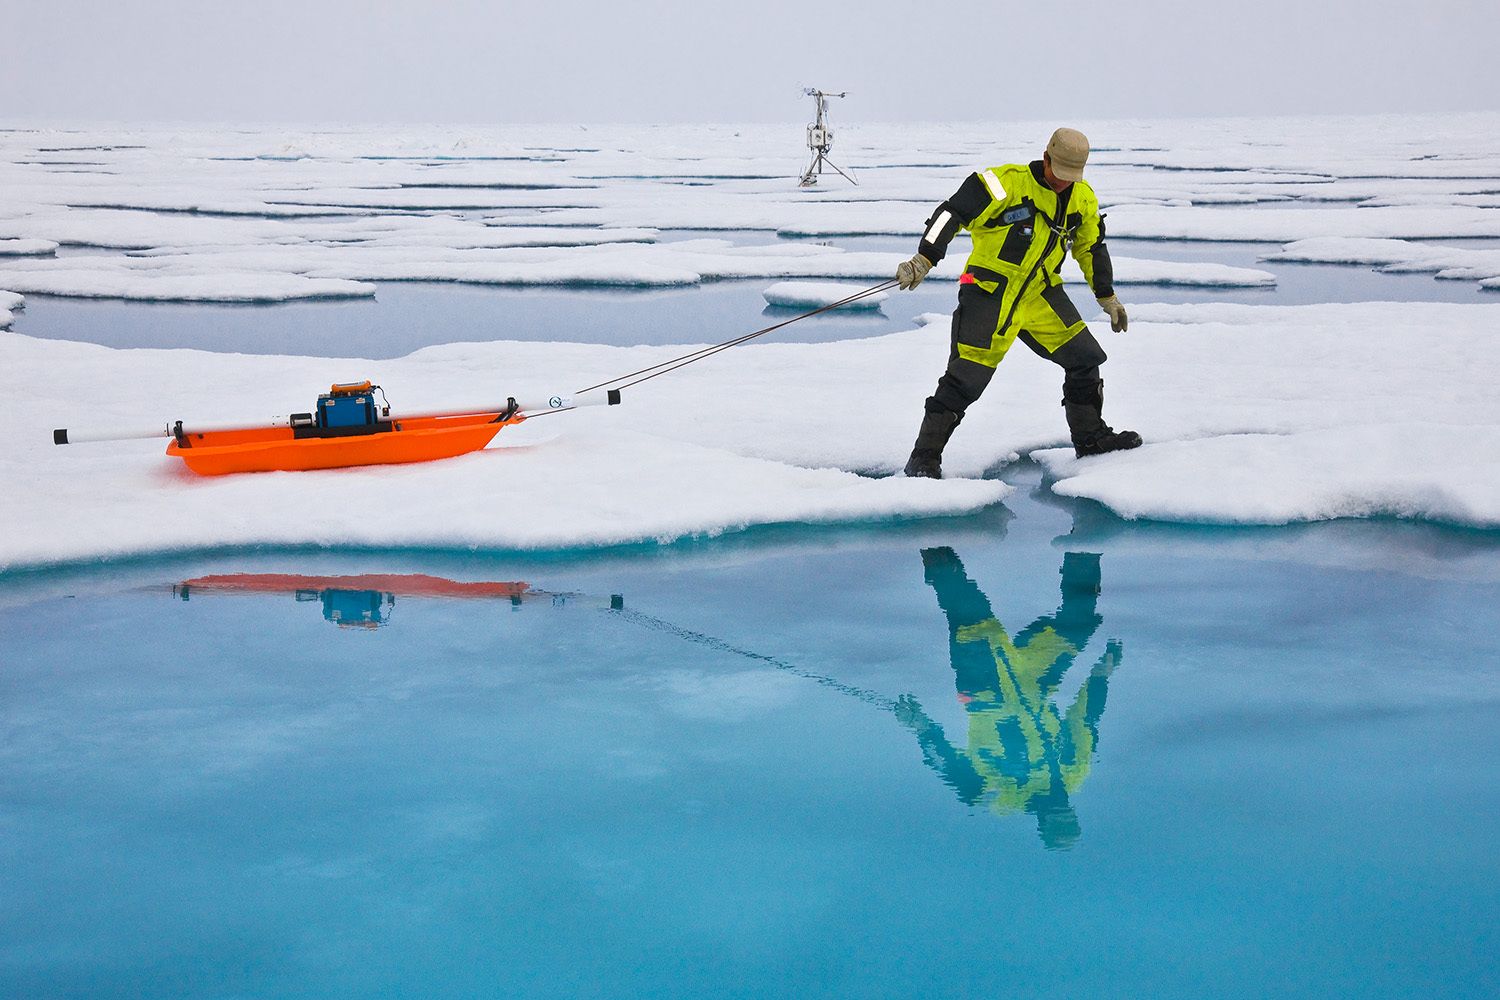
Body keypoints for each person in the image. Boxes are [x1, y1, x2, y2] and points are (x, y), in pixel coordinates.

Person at [895, 128, 1140, 478]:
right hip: (989, 292)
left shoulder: (1082, 199)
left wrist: (1107, 295)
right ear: (1046, 159)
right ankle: (924, 458)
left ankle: (1090, 440)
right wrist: (925, 258)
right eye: (1059, 174)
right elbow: (951, 215)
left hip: (1041, 294)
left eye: (1071, 177)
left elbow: (1091, 247)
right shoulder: (1002, 184)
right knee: (966, 378)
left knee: (1085, 359)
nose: (1063, 183)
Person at [894, 546, 1121, 850]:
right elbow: (1085, 718)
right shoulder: (1074, 769)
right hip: (1038, 680)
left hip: (984, 681)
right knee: (1079, 620)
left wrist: (921, 728)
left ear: (1042, 824)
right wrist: (1100, 676)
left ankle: (932, 529)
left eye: (1059, 822)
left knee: (963, 602)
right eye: (1069, 819)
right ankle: (1085, 543)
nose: (1062, 812)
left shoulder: (1001, 794)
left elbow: (952, 771)